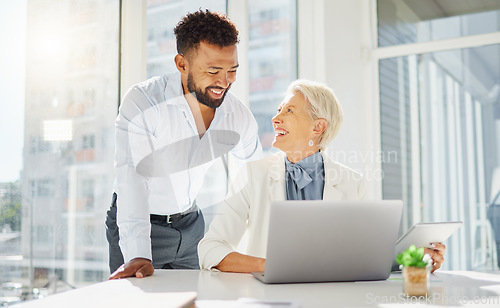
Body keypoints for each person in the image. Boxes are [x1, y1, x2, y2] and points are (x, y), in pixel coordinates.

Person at [198, 79, 446, 274]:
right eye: (279, 110)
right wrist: (269, 266)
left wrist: (413, 259)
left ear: (318, 127)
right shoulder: (253, 176)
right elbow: (211, 249)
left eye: (290, 111)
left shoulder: (353, 183)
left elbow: (367, 257)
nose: (275, 119)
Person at [106, 9, 262, 279]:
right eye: (213, 71)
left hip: (192, 227)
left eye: (232, 71)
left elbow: (254, 182)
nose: (224, 82)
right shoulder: (145, 102)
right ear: (181, 64)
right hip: (142, 226)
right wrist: (138, 253)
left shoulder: (238, 116)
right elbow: (132, 180)